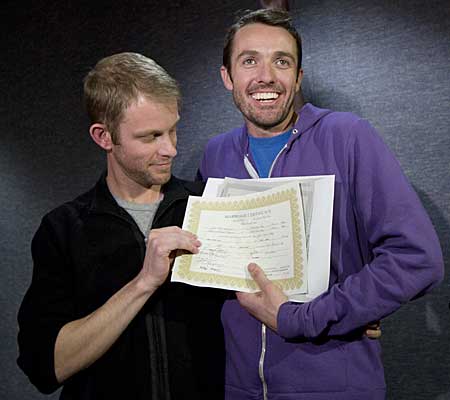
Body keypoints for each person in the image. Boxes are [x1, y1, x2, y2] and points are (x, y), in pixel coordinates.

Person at [197, 9, 444, 400]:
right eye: (249, 61)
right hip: (241, 388)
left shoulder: (347, 137)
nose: (266, 75)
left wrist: (306, 318)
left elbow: (417, 258)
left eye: (282, 61)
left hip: (333, 387)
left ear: (298, 77)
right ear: (227, 76)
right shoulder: (216, 155)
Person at [17, 52, 225, 400]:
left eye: (173, 130)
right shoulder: (63, 229)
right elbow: (46, 366)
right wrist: (144, 283)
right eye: (151, 136)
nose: (170, 149)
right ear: (103, 136)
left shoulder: (208, 206)